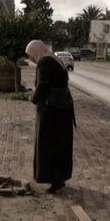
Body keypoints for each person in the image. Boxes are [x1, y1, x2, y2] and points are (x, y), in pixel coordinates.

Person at [26, 40, 76, 193]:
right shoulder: (53, 58)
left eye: (31, 55)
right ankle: (59, 178)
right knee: (59, 144)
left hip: (52, 110)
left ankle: (55, 180)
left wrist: (33, 98)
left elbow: (43, 85)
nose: (31, 59)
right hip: (62, 107)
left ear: (36, 51)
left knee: (49, 144)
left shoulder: (45, 62)